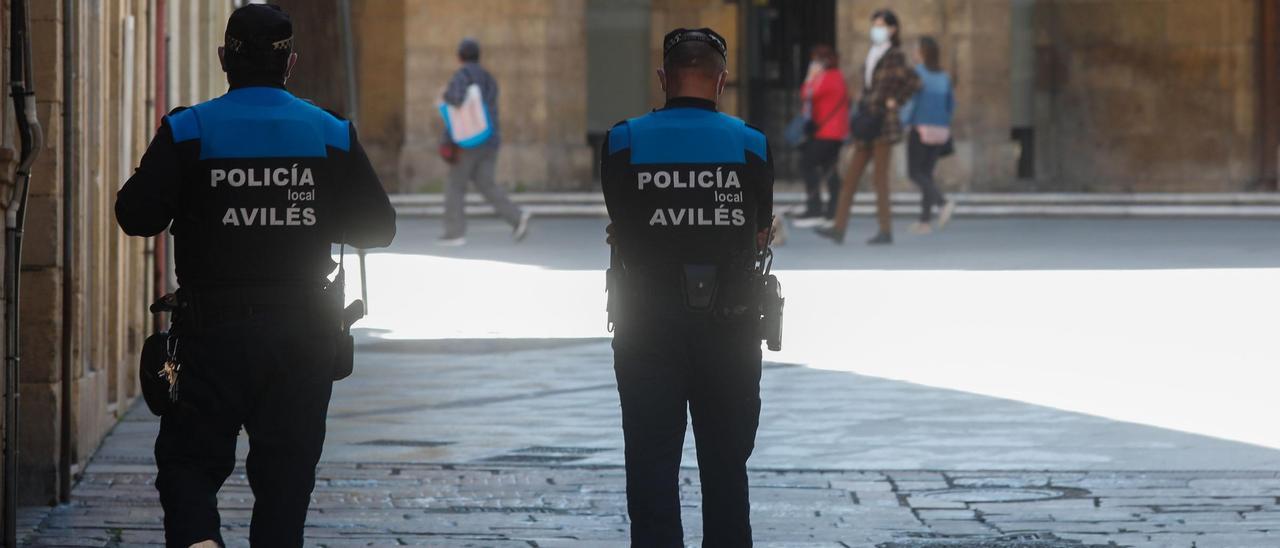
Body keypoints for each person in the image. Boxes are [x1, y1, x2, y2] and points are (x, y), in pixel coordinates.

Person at [114, 5, 396, 547]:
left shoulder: (188, 130)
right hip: (303, 337)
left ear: (224, 59)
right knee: (286, 489)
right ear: (290, 63)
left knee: (188, 467)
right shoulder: (330, 133)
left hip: (210, 336)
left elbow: (135, 216)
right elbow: (379, 227)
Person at [600, 28, 774, 546]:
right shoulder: (751, 143)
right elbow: (760, 228)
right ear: (720, 81)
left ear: (663, 79)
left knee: (651, 467)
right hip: (731, 327)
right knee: (726, 466)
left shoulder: (623, 140)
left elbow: (621, 221)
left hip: (646, 324)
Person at [816, 9, 921, 245]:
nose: (877, 29)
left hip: (883, 123)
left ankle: (885, 230)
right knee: (851, 176)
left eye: (882, 25)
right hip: (866, 122)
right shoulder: (873, 53)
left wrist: (896, 100)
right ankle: (838, 228)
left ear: (893, 29)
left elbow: (914, 81)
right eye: (875, 24)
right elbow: (867, 87)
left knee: (879, 179)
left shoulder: (895, 55)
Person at [439, 37, 531, 246]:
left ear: (460, 56)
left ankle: (455, 233)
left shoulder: (462, 75)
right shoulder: (489, 78)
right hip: (490, 139)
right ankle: (516, 217)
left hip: (468, 141)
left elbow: (455, 99)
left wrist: (445, 95)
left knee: (455, 185)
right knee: (485, 183)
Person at [902, 35, 956, 234]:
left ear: (923, 52)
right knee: (927, 174)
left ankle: (942, 203)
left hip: (920, 129)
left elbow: (910, 103)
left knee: (914, 172)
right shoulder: (944, 76)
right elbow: (951, 105)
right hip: (940, 131)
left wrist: (903, 122)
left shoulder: (917, 74)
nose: (914, 52)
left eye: (916, 48)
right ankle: (925, 222)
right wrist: (942, 120)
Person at [792, 44, 849, 228]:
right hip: (834, 132)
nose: (812, 63)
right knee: (829, 169)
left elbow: (807, 93)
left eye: (815, 60)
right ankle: (832, 211)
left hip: (827, 132)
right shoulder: (837, 76)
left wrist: (810, 76)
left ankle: (815, 208)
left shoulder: (827, 78)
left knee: (807, 164)